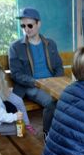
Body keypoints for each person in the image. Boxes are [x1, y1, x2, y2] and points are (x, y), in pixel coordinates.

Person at [8, 7, 64, 137]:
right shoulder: (15, 47)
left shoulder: (50, 44)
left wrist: (55, 82)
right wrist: (36, 82)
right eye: (23, 25)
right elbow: (16, 74)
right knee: (52, 102)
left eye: (30, 25)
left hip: (51, 83)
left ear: (39, 24)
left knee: (71, 99)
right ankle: (48, 134)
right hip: (31, 86)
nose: (26, 29)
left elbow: (59, 67)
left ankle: (64, 132)